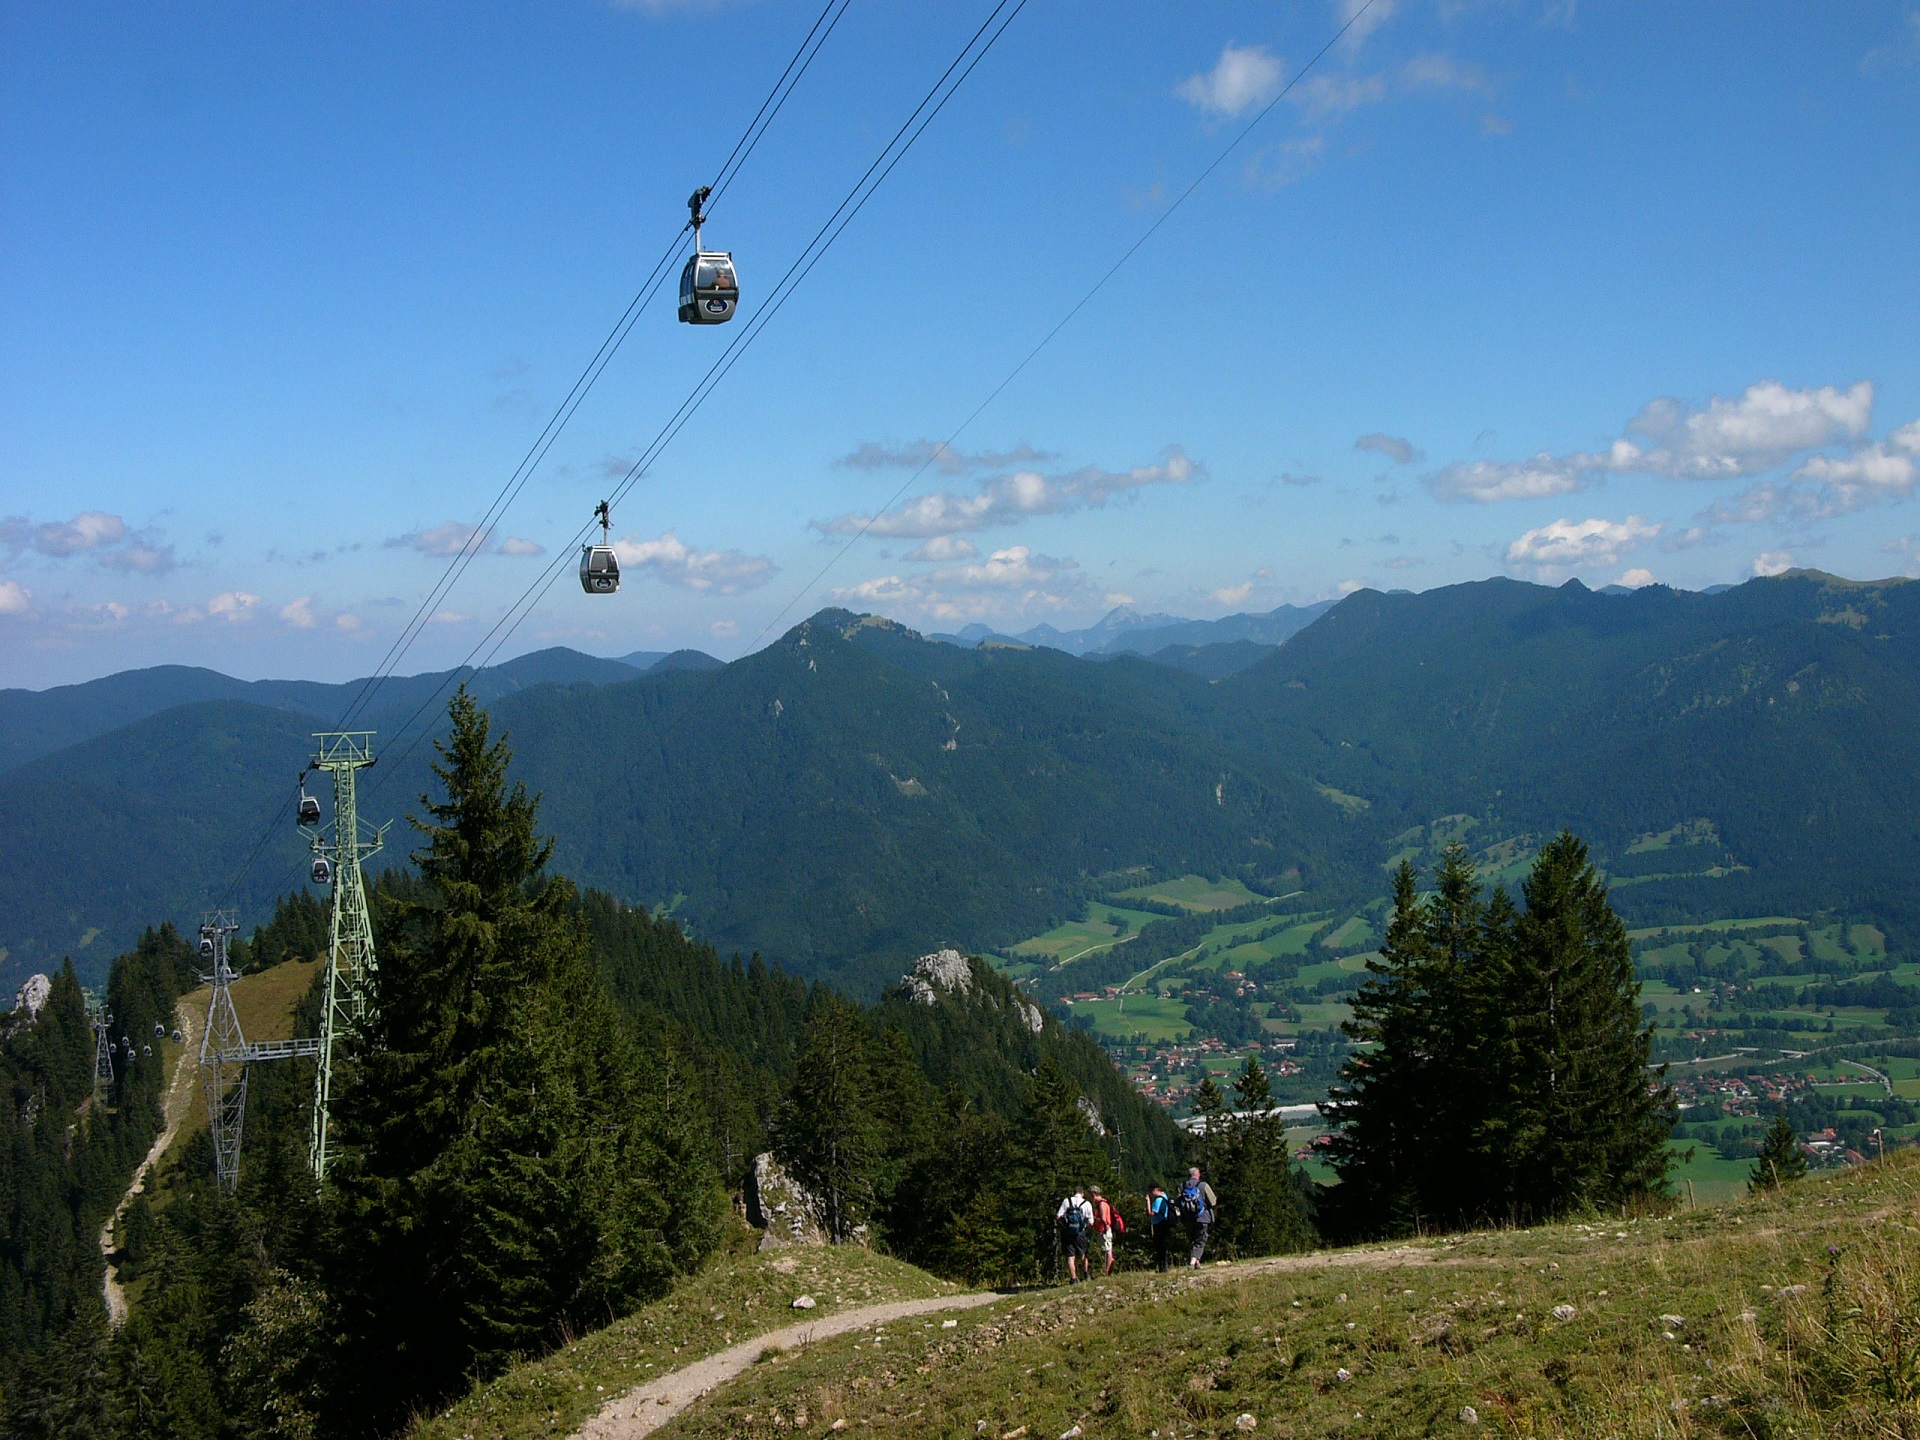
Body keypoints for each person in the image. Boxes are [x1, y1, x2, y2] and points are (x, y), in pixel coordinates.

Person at [1179, 1166, 1218, 1268]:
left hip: (1187, 1218)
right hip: (1202, 1217)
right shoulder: (1203, 1185)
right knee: (1200, 1240)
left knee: (1192, 1239)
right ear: (1198, 1174)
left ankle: (1197, 1263)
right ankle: (1192, 1262)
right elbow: (1213, 1202)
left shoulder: (1182, 1186)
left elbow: (1178, 1202)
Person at [1055, 1187, 1093, 1282]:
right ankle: (1086, 1274)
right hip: (1080, 1232)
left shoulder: (1066, 1201)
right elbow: (1091, 1222)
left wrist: (1065, 1225)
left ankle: (1073, 1278)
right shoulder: (1086, 1203)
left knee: (1070, 1256)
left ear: (1073, 1193)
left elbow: (1058, 1216)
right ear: (1082, 1194)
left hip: (1068, 1233)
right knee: (1083, 1254)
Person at [1089, 1185, 1125, 1275]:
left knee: (1107, 1251)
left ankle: (1107, 1271)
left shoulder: (1101, 1204)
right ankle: (1108, 1270)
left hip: (1104, 1230)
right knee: (1107, 1250)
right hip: (1105, 1229)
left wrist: (1093, 1218)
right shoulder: (1104, 1203)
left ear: (1094, 1194)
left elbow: (1103, 1218)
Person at [1145, 1183, 1173, 1272]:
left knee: (1159, 1246)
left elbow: (1152, 1214)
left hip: (1159, 1224)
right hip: (1165, 1223)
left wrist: (1148, 1202)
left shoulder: (1158, 1200)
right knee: (1163, 1246)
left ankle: (1162, 1267)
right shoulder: (1164, 1196)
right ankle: (1164, 1266)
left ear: (1155, 1190)